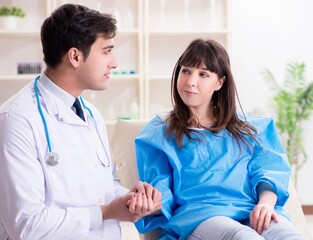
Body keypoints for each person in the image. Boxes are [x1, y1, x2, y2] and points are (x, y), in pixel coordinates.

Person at [0, 4, 161, 240]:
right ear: (75, 56)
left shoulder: (91, 114)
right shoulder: (16, 120)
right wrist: (105, 213)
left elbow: (105, 186)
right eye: (106, 51)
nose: (114, 63)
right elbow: (26, 225)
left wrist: (129, 197)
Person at [134, 39, 305, 240]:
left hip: (251, 211)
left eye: (203, 74)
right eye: (186, 71)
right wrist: (148, 204)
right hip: (198, 218)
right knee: (243, 237)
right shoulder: (159, 133)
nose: (190, 81)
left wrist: (265, 204)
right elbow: (159, 192)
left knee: (288, 236)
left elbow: (269, 171)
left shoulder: (250, 129)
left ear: (220, 82)